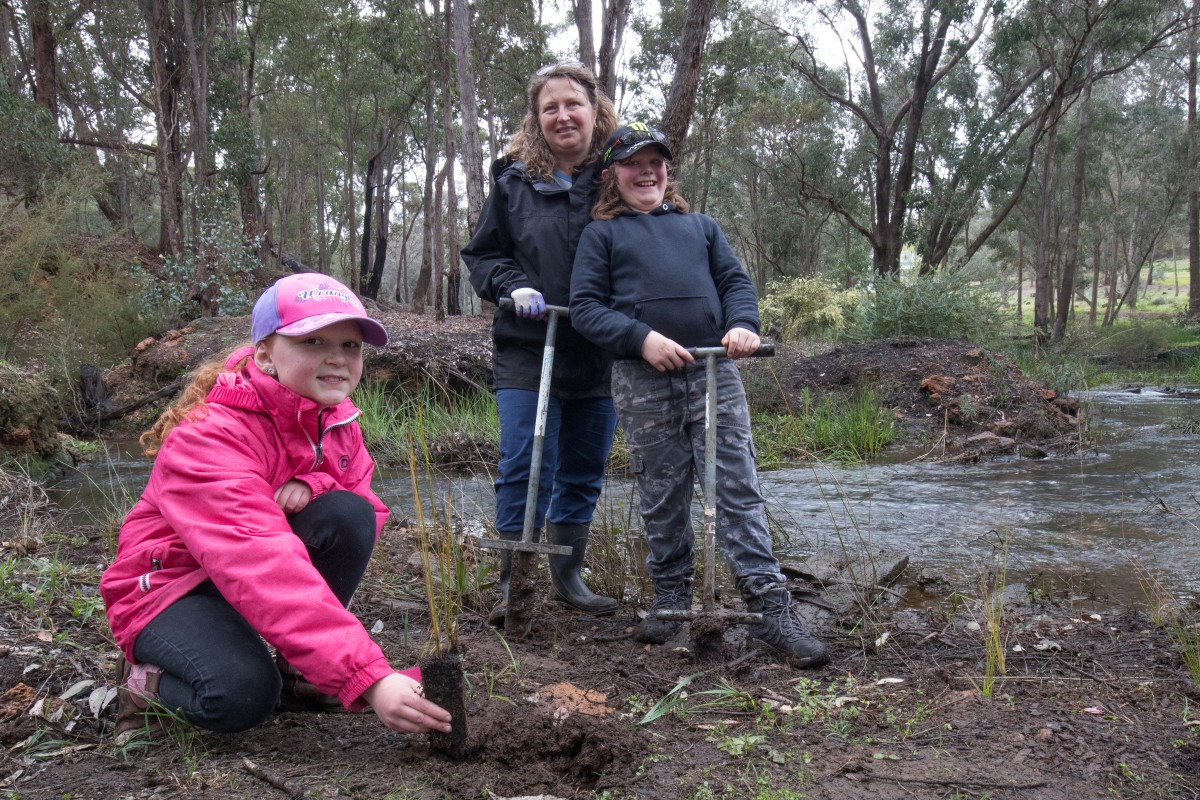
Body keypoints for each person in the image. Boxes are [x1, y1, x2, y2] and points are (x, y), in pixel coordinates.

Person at [100, 273, 453, 741]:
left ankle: (305, 677)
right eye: (312, 340)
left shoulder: (337, 421)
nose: (337, 358)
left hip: (240, 580)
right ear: (264, 353)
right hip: (170, 588)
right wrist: (368, 677)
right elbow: (261, 561)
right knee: (241, 695)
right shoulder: (209, 436)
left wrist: (316, 481)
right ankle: (143, 686)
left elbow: (363, 506)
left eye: (350, 345)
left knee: (347, 512)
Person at [569, 124, 830, 668]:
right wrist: (641, 339)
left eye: (657, 162)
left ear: (669, 170)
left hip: (714, 375)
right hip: (642, 381)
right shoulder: (602, 236)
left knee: (737, 487)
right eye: (633, 164)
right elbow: (588, 309)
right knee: (662, 492)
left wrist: (743, 326)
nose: (647, 172)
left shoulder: (701, 227)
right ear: (612, 176)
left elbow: (736, 283)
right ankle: (671, 597)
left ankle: (770, 607)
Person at [461, 61, 621, 621]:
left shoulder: (618, 175)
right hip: (529, 346)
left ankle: (567, 576)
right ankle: (514, 581)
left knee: (583, 466)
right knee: (526, 462)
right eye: (549, 107)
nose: (561, 115)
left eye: (571, 104)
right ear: (537, 117)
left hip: (599, 352)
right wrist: (514, 284)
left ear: (593, 108)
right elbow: (483, 255)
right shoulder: (513, 179)